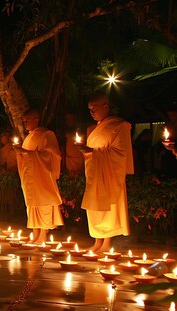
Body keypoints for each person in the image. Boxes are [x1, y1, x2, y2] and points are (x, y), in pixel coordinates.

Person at [77, 92, 134, 252]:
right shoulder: (91, 129)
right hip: (93, 172)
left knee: (107, 206)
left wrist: (94, 152)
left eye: (94, 108)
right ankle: (97, 241)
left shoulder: (119, 126)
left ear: (106, 106)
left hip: (110, 173)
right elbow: (90, 152)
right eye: (89, 109)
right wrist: (87, 151)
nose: (92, 112)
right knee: (93, 207)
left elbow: (120, 153)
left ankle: (107, 242)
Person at [15, 109, 64, 243]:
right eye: (23, 121)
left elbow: (51, 155)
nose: (25, 124)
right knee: (32, 204)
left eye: (27, 121)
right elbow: (26, 156)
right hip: (29, 177)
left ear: (36, 119)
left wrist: (27, 153)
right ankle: (35, 233)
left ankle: (43, 234)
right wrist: (21, 153)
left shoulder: (46, 134)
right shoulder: (29, 137)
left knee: (43, 203)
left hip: (42, 176)